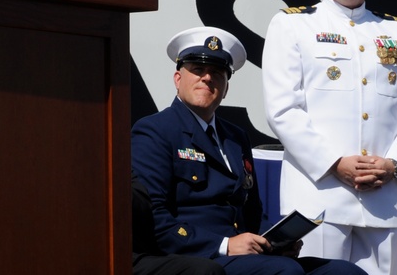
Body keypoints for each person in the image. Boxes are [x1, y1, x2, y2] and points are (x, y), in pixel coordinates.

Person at [263, 0, 397, 275]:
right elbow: (283, 109)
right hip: (319, 196)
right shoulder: (293, 25)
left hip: (384, 197)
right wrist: (333, 163)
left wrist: (394, 165)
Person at [132, 26, 366, 275]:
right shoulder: (154, 131)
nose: (207, 78)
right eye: (198, 70)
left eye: (217, 73)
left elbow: (251, 213)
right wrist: (225, 245)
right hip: (194, 257)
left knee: (344, 272)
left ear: (225, 87)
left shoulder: (235, 137)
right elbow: (154, 219)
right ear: (178, 79)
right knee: (283, 271)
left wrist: (275, 242)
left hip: (243, 256)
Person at [132, 169, 227, 275]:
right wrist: (224, 245)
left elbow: (143, 205)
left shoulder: (116, 163)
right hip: (121, 257)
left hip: (127, 255)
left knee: (206, 270)